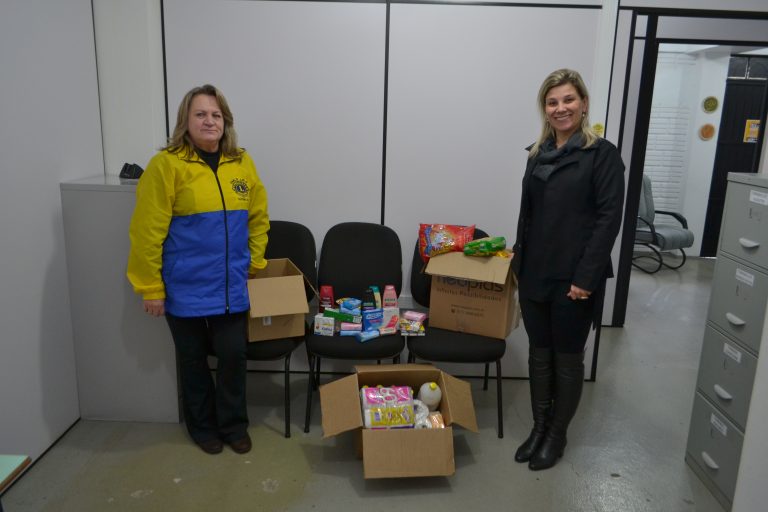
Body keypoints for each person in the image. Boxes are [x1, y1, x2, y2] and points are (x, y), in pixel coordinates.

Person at [127, 84, 269, 455]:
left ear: (226, 121)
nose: (209, 121)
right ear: (185, 121)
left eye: (216, 114)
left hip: (230, 285)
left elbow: (258, 218)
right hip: (184, 286)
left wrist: (255, 262)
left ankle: (233, 425)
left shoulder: (242, 162)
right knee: (193, 362)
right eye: (201, 114)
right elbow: (146, 231)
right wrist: (150, 287)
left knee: (233, 356)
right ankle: (203, 427)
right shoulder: (166, 165)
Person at [511, 69, 625, 471]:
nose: (561, 108)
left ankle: (556, 436)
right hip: (535, 272)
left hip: (574, 278)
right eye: (552, 102)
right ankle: (539, 428)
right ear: (545, 108)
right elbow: (529, 216)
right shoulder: (536, 153)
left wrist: (586, 278)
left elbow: (608, 219)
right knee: (539, 356)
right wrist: (518, 265)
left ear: (584, 104)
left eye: (568, 100)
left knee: (567, 358)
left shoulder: (602, 155)